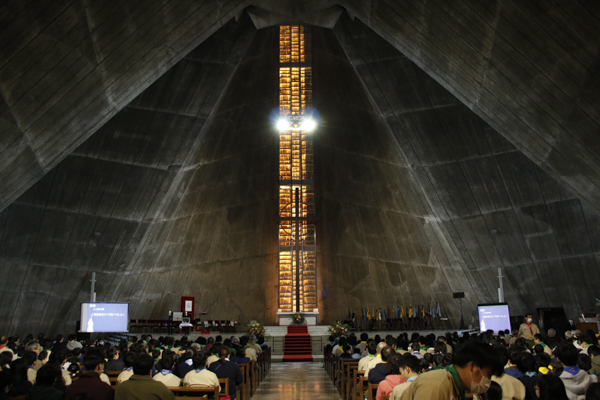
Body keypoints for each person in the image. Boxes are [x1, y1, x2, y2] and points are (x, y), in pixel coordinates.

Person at [398, 341, 503, 400]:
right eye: (488, 375)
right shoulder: (437, 384)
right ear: (472, 367)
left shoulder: (455, 386)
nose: (488, 383)